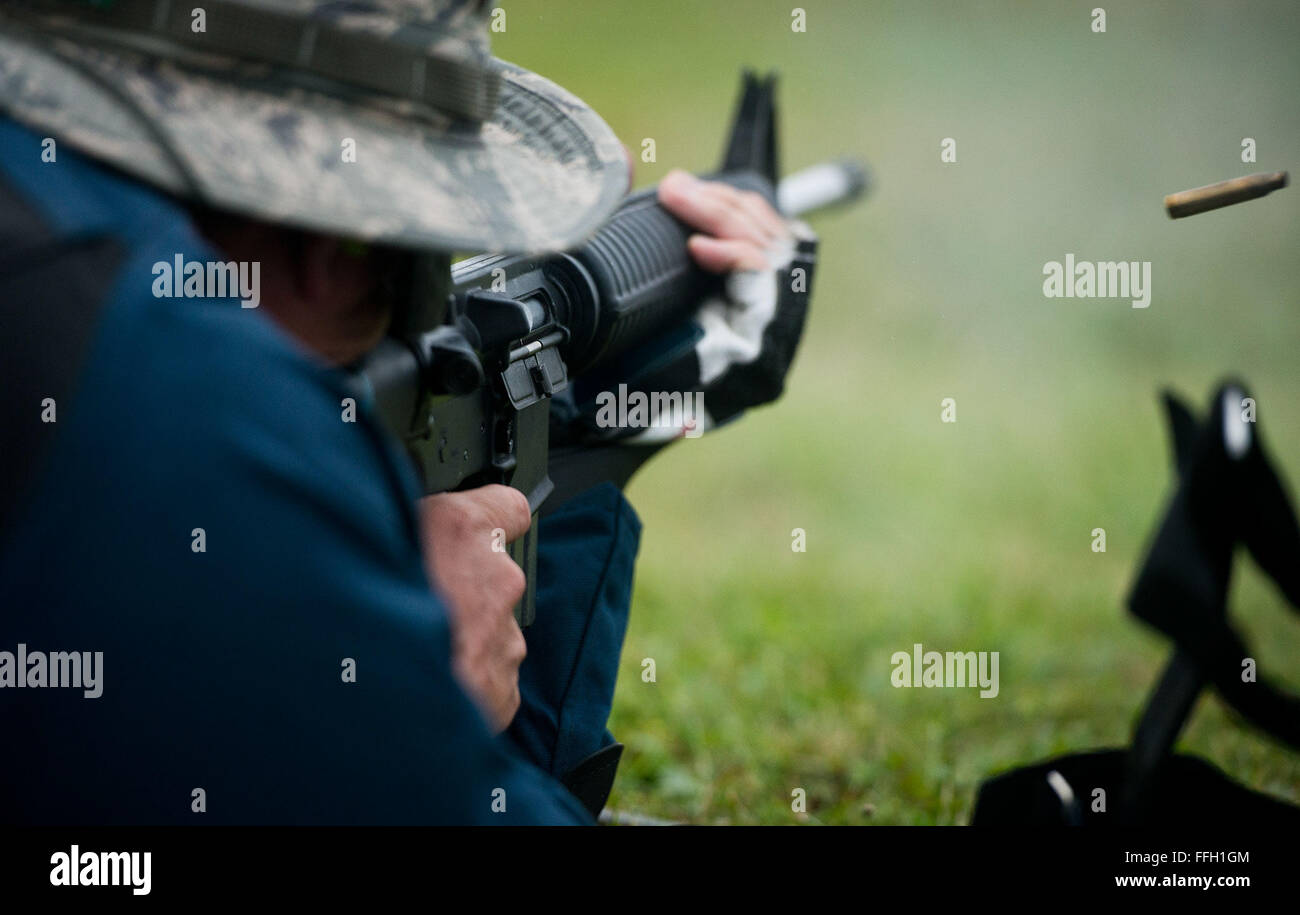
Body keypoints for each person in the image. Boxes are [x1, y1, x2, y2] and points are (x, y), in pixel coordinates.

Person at [0, 0, 808, 823]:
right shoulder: (186, 390)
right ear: (328, 244)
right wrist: (408, 670)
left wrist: (586, 429)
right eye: (414, 245)